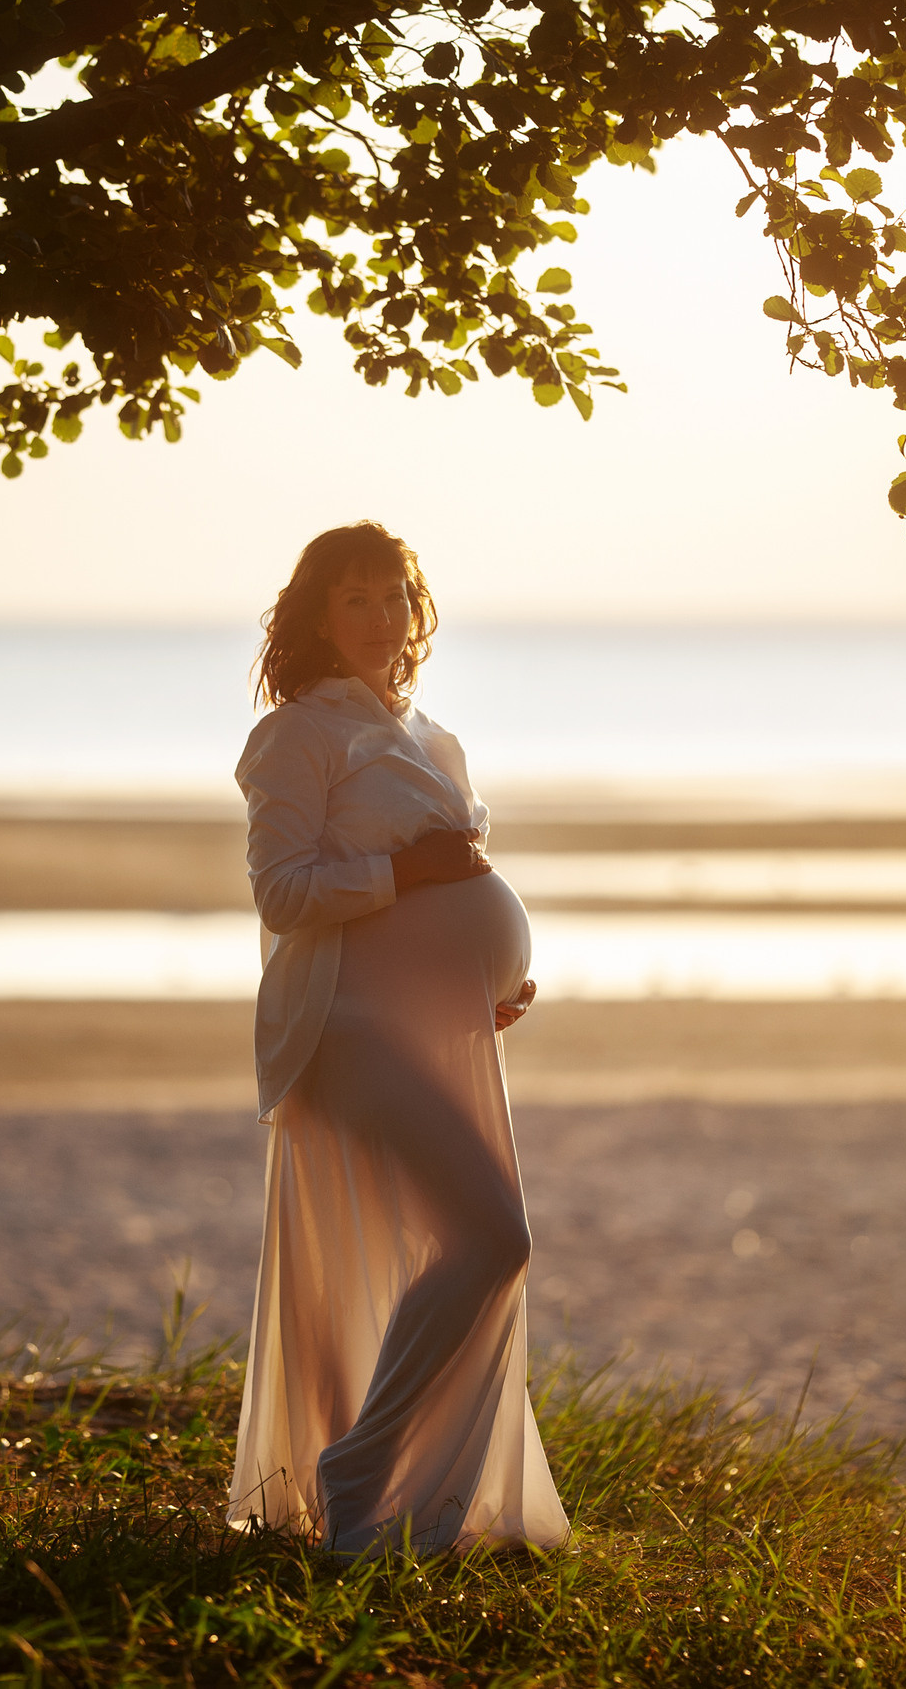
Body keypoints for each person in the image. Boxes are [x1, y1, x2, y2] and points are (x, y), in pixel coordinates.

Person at [222, 520, 570, 1557]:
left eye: (394, 597)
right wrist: (403, 880)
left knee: (477, 1240)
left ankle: (390, 1485)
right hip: (349, 1026)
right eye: (356, 600)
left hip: (433, 1028)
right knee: (492, 1237)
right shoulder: (298, 735)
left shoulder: (434, 739)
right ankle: (356, 1471)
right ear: (318, 620)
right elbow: (282, 894)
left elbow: (454, 890)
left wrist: (485, 983)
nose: (381, 619)